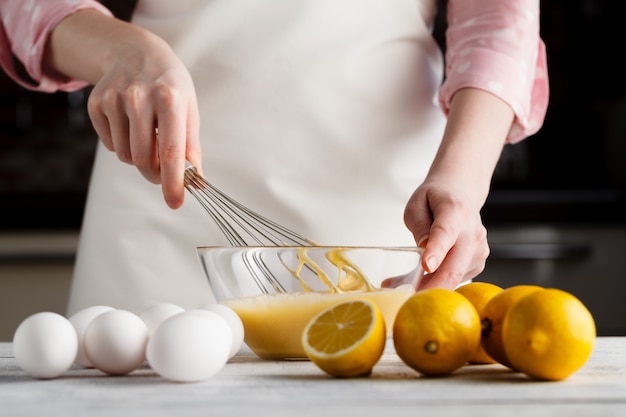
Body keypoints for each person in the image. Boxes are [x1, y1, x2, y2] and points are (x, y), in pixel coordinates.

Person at [0, 0, 548, 316]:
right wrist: (122, 50)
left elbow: (501, 24)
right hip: (159, 188)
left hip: (375, 208)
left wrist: (461, 179)